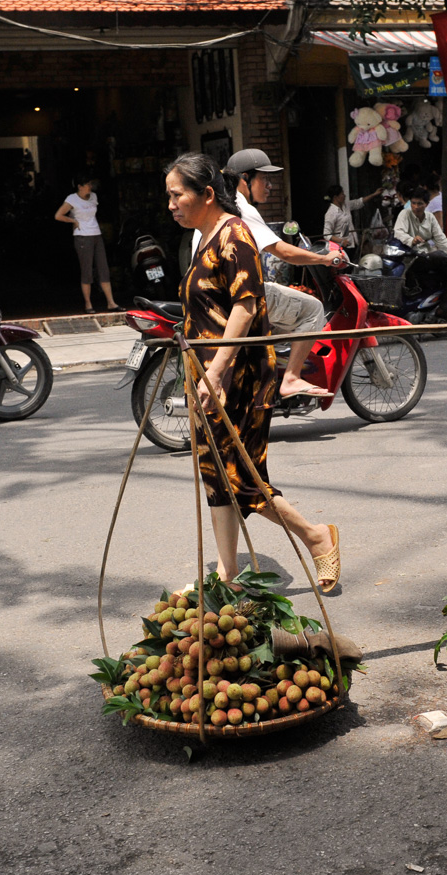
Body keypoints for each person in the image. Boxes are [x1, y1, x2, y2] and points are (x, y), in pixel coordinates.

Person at [165, 152, 342, 594]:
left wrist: (220, 370)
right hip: (206, 375)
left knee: (239, 474)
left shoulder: (234, 234)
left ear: (206, 194)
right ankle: (227, 574)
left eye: (177, 194)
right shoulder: (202, 238)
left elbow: (246, 304)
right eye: (168, 196)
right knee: (214, 470)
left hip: (237, 375)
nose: (170, 204)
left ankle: (315, 535)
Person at [194, 148, 338, 399]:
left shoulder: (215, 203)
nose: (270, 186)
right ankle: (291, 378)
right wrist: (325, 259)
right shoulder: (239, 206)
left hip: (212, 293)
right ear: (244, 179)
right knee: (312, 309)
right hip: (239, 294)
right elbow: (284, 252)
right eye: (264, 179)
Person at [393, 186, 447, 321]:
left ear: (426, 204)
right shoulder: (405, 215)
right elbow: (398, 232)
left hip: (427, 255)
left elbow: (441, 239)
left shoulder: (430, 218)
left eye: (420, 203)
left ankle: (445, 309)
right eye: (413, 203)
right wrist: (410, 240)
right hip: (409, 257)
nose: (416, 207)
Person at [54, 174, 120, 314]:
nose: (90, 187)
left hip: (96, 234)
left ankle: (111, 302)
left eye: (91, 184)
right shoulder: (72, 199)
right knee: (87, 270)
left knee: (103, 268)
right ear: (80, 186)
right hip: (82, 237)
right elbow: (58, 215)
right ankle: (88, 304)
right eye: (88, 184)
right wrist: (73, 221)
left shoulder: (94, 197)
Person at [322, 183, 381, 252]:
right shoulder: (331, 213)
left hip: (353, 244)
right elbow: (326, 235)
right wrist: (342, 241)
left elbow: (358, 202)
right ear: (335, 197)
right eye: (342, 194)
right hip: (341, 248)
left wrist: (374, 194)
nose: (344, 196)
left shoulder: (346, 205)